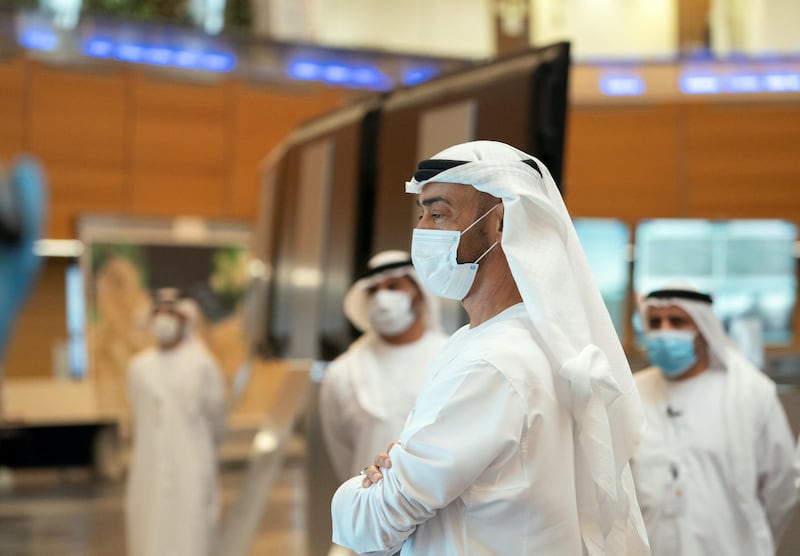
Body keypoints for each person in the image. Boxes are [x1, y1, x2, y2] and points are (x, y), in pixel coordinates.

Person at [330, 140, 650, 555]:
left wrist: (361, 488)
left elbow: (370, 524)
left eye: (440, 213)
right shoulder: (502, 341)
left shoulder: (495, 362)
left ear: (500, 222)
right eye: (422, 213)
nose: (423, 230)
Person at [631, 285, 797, 556]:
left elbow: (781, 486)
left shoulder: (750, 391)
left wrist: (752, 539)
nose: (663, 331)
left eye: (677, 322)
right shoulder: (632, 392)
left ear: (704, 329)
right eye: (655, 322)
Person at [320, 250, 449, 483]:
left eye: (393, 286)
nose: (382, 297)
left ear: (418, 294)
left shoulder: (452, 358)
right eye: (373, 290)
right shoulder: (343, 372)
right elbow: (342, 453)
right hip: (370, 510)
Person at [125, 288, 227, 556]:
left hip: (192, 466)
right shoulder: (138, 368)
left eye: (170, 312)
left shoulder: (202, 365)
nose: (163, 318)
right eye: (158, 311)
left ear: (185, 318)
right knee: (150, 533)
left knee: (190, 535)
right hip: (148, 468)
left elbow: (218, 419)